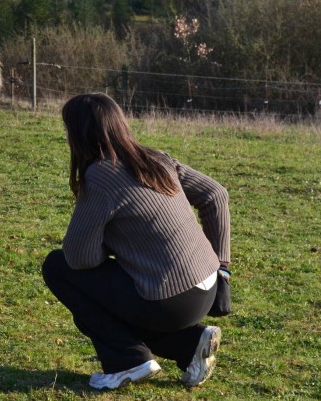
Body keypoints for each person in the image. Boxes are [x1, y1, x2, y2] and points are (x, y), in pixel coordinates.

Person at [42, 93, 231, 390]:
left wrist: (108, 244)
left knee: (58, 268)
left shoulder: (101, 176)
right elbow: (216, 194)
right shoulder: (155, 157)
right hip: (207, 287)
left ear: (79, 134)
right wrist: (223, 266)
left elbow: (78, 259)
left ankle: (127, 362)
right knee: (111, 302)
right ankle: (190, 345)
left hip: (170, 300)